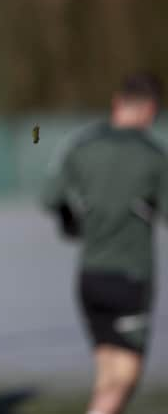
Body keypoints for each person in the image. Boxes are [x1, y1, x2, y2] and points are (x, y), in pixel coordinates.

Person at [42, 72, 168, 414]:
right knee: (124, 379)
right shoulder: (153, 156)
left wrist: (73, 225)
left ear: (117, 102)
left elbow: (51, 197)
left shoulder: (80, 144)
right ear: (152, 110)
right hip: (131, 278)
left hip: (90, 278)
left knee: (108, 375)